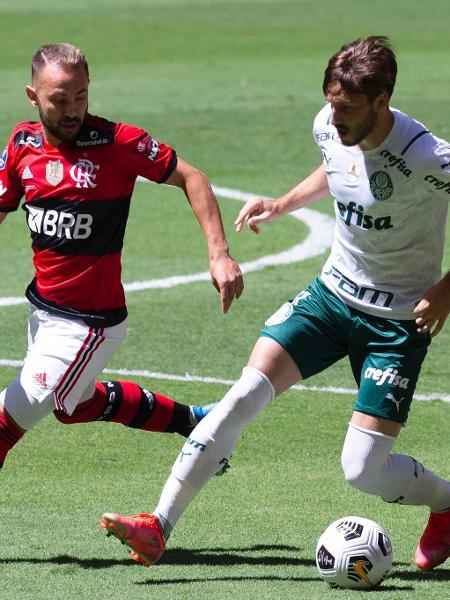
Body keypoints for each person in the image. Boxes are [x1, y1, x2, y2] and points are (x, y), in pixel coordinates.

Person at [102, 36, 450, 571]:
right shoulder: (329, 125)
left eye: (348, 108)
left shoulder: (425, 155)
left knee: (362, 470)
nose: (334, 117)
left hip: (397, 323)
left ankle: (447, 504)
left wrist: (446, 290)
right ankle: (158, 525)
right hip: (332, 298)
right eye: (331, 102)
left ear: (382, 101)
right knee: (242, 395)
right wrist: (283, 203)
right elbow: (337, 168)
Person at [0, 46, 244, 494]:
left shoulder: (118, 143)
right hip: (41, 312)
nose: (73, 109)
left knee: (6, 421)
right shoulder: (21, 145)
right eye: (59, 99)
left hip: (89, 324)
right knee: (71, 406)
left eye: (81, 96)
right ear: (32, 96)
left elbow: (192, 177)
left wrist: (219, 253)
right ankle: (194, 420)